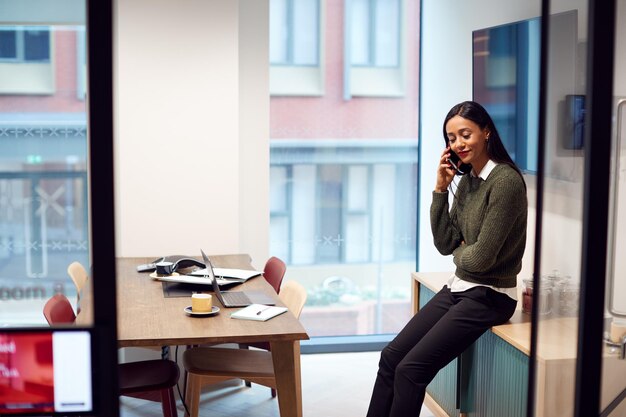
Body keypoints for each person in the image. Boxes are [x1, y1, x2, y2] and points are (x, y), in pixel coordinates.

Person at [366, 100, 527, 417]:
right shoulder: (467, 180)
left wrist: (464, 250)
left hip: (490, 296)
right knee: (390, 357)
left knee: (410, 371)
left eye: (465, 134)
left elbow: (481, 259)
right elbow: (445, 242)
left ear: (486, 132)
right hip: (461, 287)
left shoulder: (505, 182)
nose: (458, 144)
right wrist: (441, 189)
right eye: (451, 138)